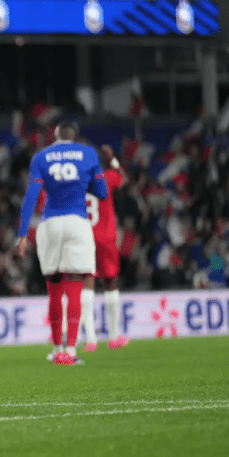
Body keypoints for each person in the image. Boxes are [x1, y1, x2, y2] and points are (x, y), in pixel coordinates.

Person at [15, 122, 108, 366]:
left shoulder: (41, 156)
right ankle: (71, 351)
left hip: (51, 223)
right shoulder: (88, 154)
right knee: (75, 285)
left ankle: (57, 349)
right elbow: (103, 192)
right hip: (78, 222)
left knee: (54, 288)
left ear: (54, 136)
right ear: (75, 137)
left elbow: (31, 196)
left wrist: (22, 234)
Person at [80, 144, 130, 351]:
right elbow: (124, 178)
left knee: (87, 282)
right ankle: (114, 336)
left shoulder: (79, 181)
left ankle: (91, 340)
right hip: (106, 237)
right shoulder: (107, 176)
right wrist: (114, 159)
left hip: (84, 236)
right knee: (110, 282)